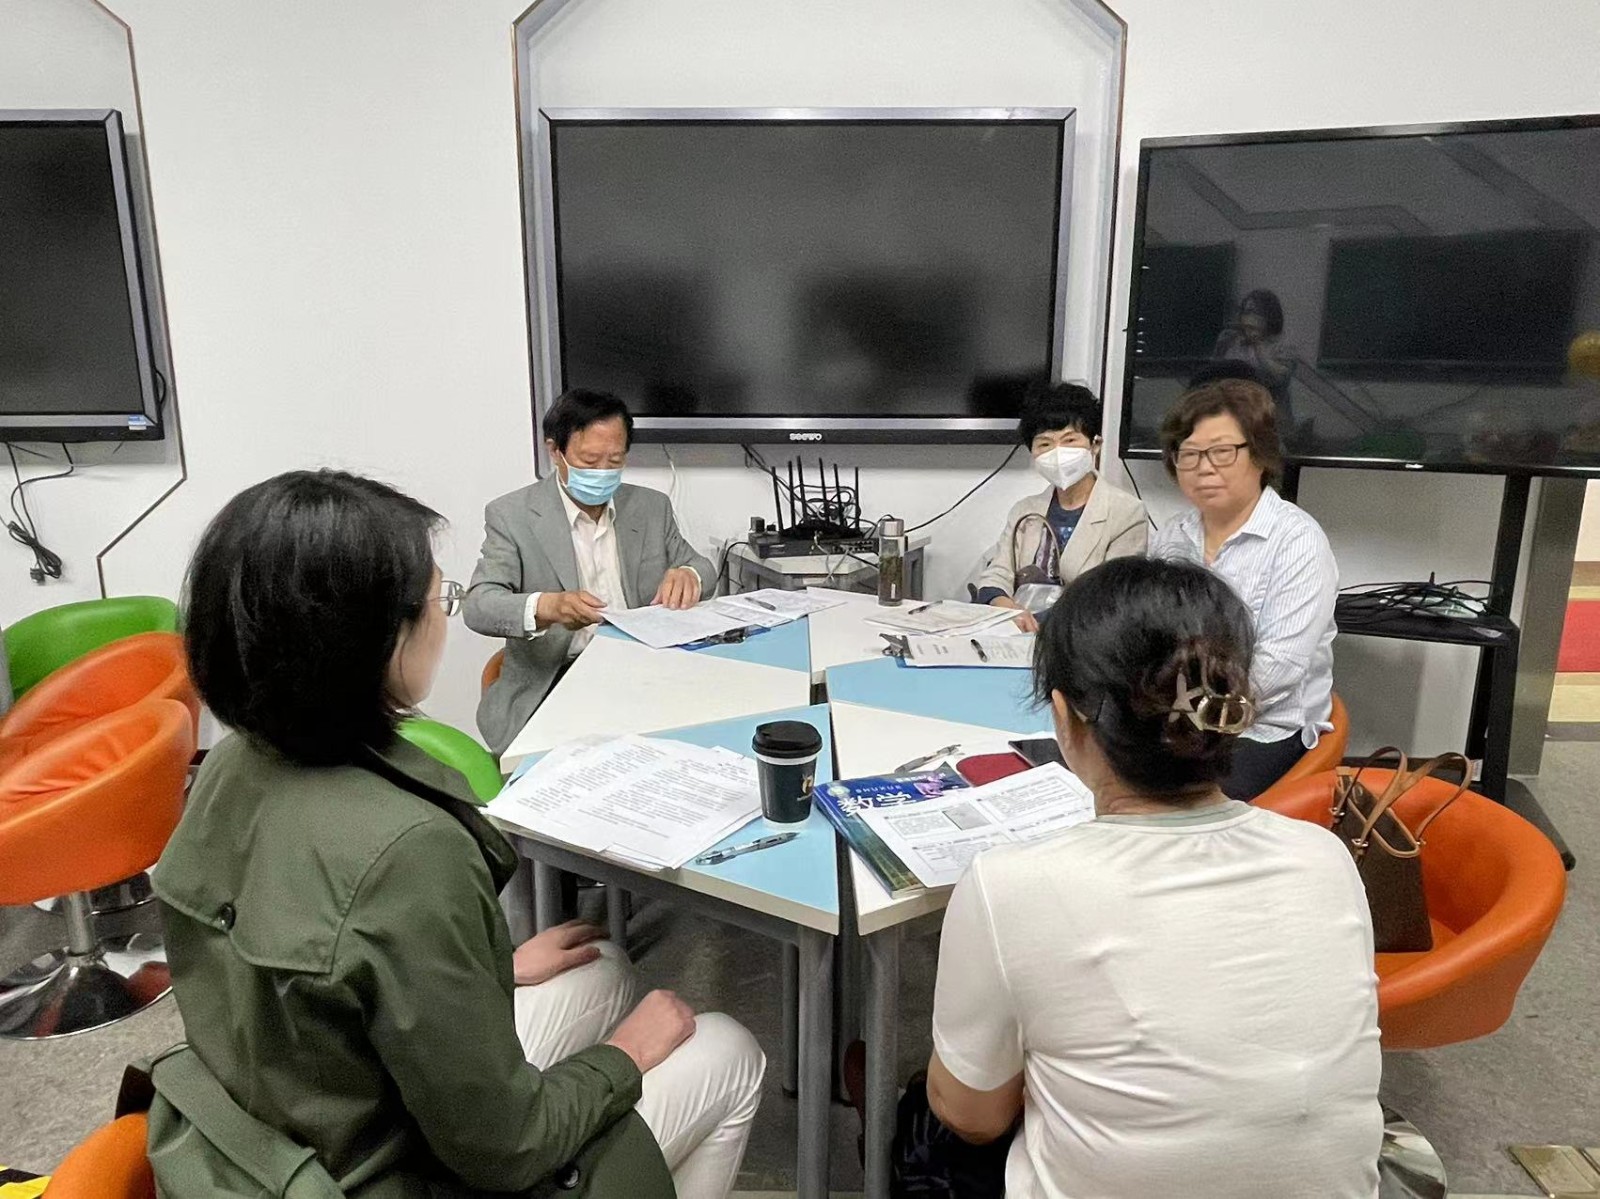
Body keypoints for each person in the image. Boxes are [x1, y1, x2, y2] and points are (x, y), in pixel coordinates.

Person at [157, 469, 763, 1199]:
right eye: (436, 600)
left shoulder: (227, 766)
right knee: (726, 1048)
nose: (443, 619)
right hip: (381, 1173)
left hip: (284, 1126)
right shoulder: (410, 847)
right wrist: (626, 1056)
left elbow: (317, 977)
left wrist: (484, 965)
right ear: (373, 640)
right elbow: (507, 1149)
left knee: (598, 966)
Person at [926, 556, 1382, 1199]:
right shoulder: (1325, 857)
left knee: (925, 1125)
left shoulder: (1010, 887)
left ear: (1064, 717)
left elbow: (972, 1116)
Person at [465, 389, 715, 754]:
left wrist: (689, 574)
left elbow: (703, 566)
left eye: (615, 460)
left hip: (645, 675)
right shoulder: (512, 515)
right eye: (589, 460)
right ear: (555, 452)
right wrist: (547, 607)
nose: (603, 472)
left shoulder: (650, 507)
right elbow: (479, 605)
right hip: (556, 683)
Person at [1150, 378, 1338, 799]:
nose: (1204, 467)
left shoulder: (1297, 541)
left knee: (1173, 801)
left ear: (1259, 454)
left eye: (1221, 452)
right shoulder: (1172, 536)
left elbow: (1277, 671)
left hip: (1264, 727)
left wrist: (1189, 718)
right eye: (1189, 454)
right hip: (1181, 716)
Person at [974, 383, 1148, 632]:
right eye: (1045, 444)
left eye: (1069, 440)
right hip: (1018, 633)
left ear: (1095, 445)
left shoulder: (1127, 513)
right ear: (1033, 454)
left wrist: (1045, 622)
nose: (1057, 453)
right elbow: (997, 573)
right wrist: (1005, 606)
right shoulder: (1024, 510)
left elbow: (1114, 596)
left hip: (1084, 637)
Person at [1212, 288, 1297, 417]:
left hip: (1268, 414)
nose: (1249, 317)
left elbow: (1279, 378)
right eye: (1246, 311)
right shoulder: (1232, 339)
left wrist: (1259, 347)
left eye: (1255, 311)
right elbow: (1216, 371)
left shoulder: (1284, 346)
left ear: (1269, 315)